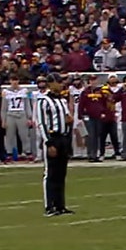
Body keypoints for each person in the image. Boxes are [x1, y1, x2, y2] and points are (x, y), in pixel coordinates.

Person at [35, 73, 73, 217]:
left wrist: (69, 122)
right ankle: (49, 206)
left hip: (63, 138)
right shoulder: (43, 100)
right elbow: (42, 123)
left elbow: (67, 118)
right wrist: (48, 142)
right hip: (53, 137)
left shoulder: (62, 100)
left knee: (61, 174)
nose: (61, 85)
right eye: (58, 82)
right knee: (50, 173)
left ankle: (60, 205)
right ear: (51, 84)